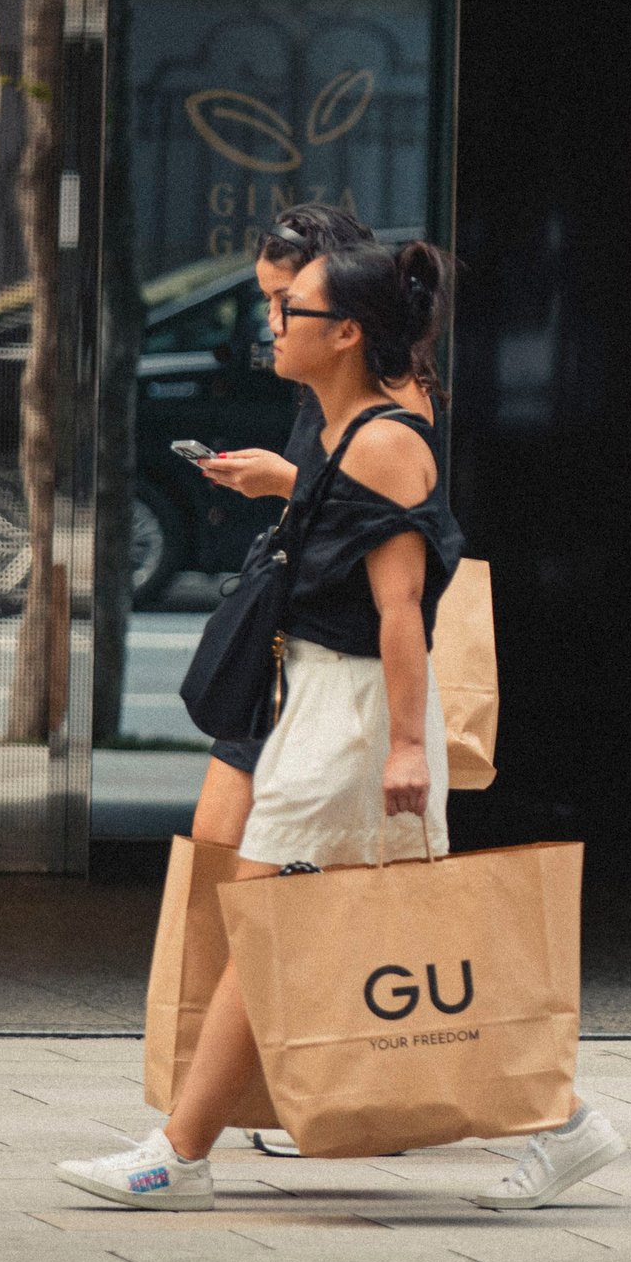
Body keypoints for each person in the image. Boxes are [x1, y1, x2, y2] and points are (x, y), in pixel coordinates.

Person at [179, 203, 439, 1160]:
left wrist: (408, 742)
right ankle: (209, 1131)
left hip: (344, 698)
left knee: (286, 906)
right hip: (308, 684)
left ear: (346, 326)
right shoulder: (342, 415)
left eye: (287, 305)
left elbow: (400, 599)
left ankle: (187, 1146)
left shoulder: (384, 427)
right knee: (280, 897)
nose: (270, 325)